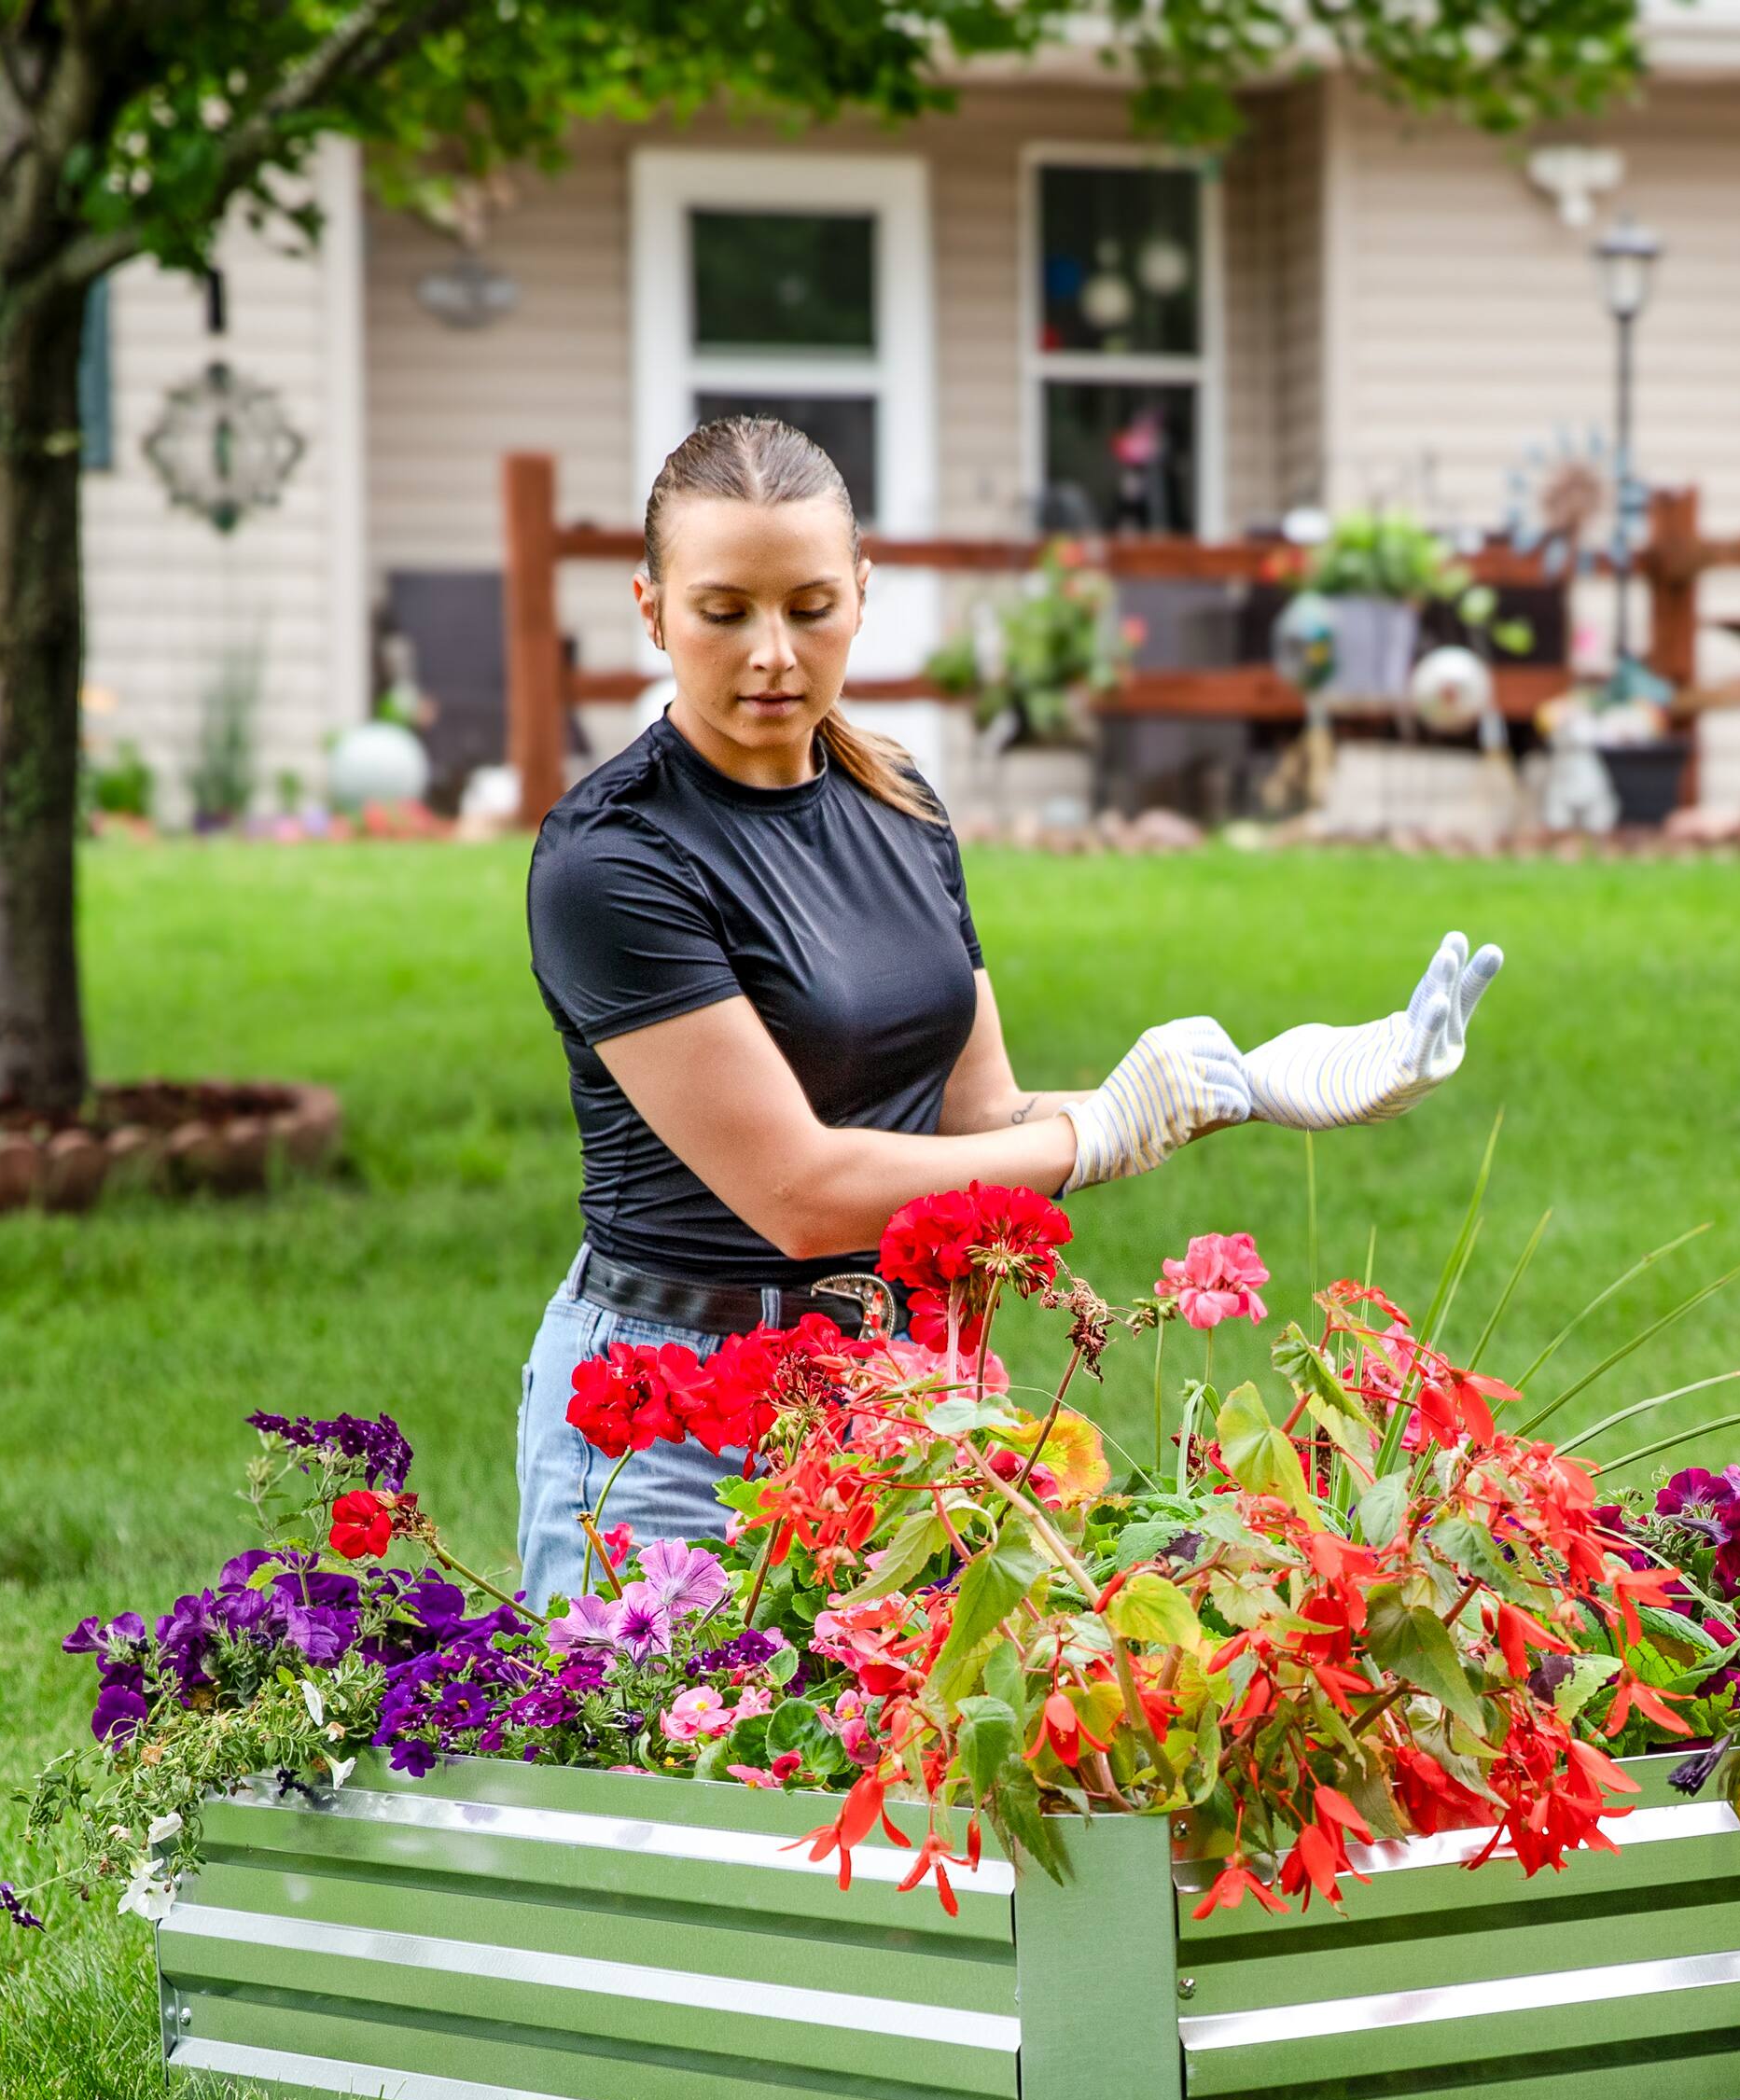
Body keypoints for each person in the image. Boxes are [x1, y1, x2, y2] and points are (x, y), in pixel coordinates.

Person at [515, 414, 1501, 1602]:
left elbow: (982, 1117)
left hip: (897, 1398)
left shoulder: (896, 801)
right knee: (675, 1731)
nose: (772, 654)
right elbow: (797, 1192)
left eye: (811, 607)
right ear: (652, 609)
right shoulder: (614, 859)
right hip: (668, 1421)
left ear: (862, 594)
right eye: (723, 612)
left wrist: (1248, 1086)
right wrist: (1100, 1136)